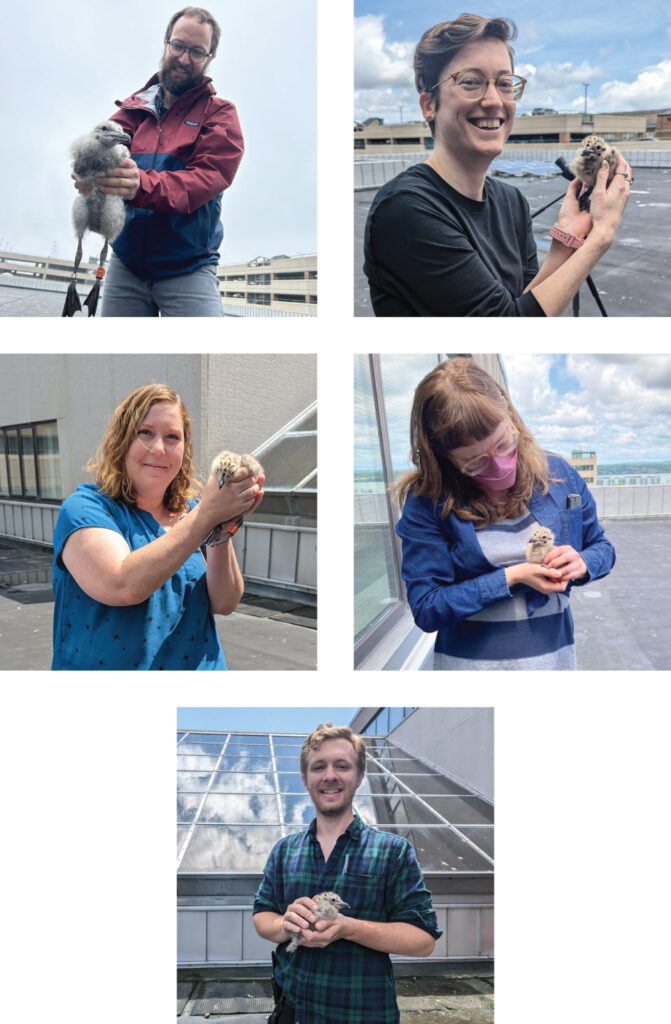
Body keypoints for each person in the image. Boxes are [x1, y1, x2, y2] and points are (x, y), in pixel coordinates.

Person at [363, 14, 632, 316]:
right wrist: (601, 236)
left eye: (505, 83)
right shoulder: (405, 210)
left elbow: (526, 304)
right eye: (470, 82)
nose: (493, 100)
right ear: (429, 106)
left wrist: (566, 238)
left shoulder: (511, 201)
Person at [394, 359, 615, 670]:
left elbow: (602, 549)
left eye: (504, 444)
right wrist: (512, 577)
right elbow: (427, 608)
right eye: (475, 462)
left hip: (554, 665)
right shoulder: (428, 501)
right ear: (443, 459)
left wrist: (583, 563)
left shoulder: (560, 475)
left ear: (512, 419)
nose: (499, 466)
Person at [51, 383, 263, 670]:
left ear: (184, 449)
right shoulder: (86, 508)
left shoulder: (193, 511)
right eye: (145, 432)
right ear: (121, 440)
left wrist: (220, 529)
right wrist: (206, 515)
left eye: (173, 437)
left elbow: (225, 602)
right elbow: (121, 585)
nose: (160, 449)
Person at [253, 723, 442, 1024]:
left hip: (361, 1014)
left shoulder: (393, 851)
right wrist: (285, 925)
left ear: (359, 776)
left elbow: (423, 940)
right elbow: (262, 916)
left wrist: (347, 927)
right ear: (305, 779)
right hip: (291, 1013)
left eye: (342, 766)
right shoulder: (284, 851)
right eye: (319, 767)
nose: (329, 775)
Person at [72, 6, 244, 317]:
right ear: (165, 42)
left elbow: (206, 179)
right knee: (115, 364)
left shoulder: (220, 114)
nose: (183, 58)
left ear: (210, 59)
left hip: (188, 270)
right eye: (178, 46)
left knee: (203, 361)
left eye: (196, 52)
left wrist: (141, 185)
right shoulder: (129, 112)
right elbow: (98, 153)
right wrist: (89, 175)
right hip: (125, 268)